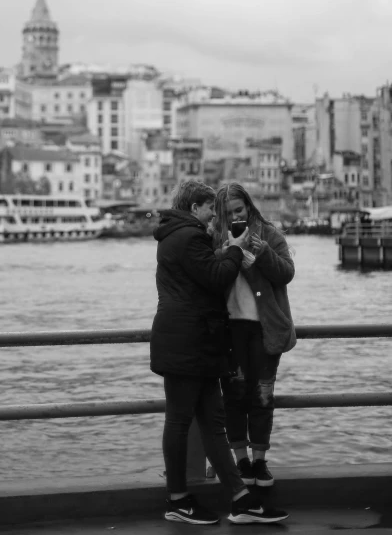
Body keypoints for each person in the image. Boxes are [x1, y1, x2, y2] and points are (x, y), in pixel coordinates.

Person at [150, 179, 289, 525]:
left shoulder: (180, 236)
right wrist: (237, 250)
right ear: (195, 208)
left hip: (198, 344)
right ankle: (179, 499)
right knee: (185, 421)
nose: (216, 216)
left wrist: (247, 251)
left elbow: (284, 272)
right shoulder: (190, 238)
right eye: (212, 208)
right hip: (189, 343)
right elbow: (216, 276)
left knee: (213, 422)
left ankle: (242, 499)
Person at [214, 182, 296, 488]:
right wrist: (225, 253)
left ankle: (260, 462)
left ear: (249, 206)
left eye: (239, 210)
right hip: (230, 329)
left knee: (263, 396)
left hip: (265, 327)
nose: (236, 216)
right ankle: (241, 461)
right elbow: (207, 279)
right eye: (229, 213)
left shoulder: (269, 235)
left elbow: (286, 273)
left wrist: (262, 255)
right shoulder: (215, 239)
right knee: (234, 397)